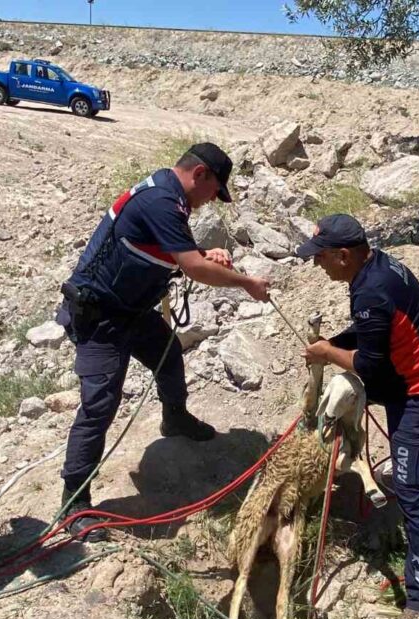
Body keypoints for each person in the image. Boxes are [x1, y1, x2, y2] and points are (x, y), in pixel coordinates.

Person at [57, 142, 270, 540]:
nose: (211, 202)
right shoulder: (162, 200)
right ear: (200, 174)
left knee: (169, 355)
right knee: (100, 402)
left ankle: (175, 417)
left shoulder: (168, 197)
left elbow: (172, 250)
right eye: (214, 193)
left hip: (130, 310)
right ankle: (74, 501)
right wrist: (246, 283)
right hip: (99, 315)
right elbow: (190, 266)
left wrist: (205, 252)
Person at [297, 214, 419, 619]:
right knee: (409, 480)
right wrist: (336, 342)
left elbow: (370, 363)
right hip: (410, 386)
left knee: (411, 488)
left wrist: (329, 351)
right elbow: (373, 336)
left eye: (322, 259)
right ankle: (408, 542)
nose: (319, 266)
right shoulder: (377, 268)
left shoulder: (371, 290)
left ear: (344, 254)